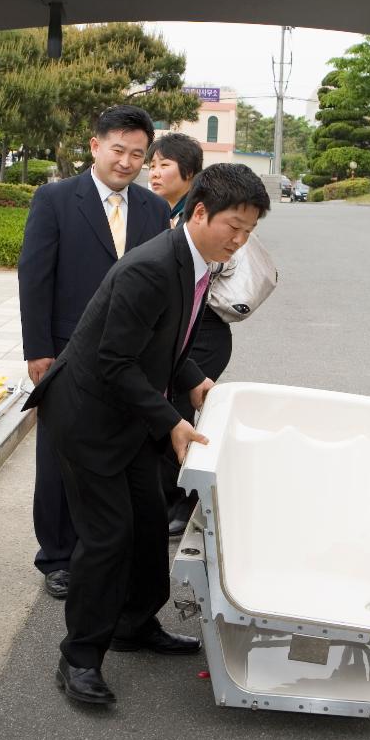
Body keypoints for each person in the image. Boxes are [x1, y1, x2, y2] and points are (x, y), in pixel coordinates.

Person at [24, 163, 270, 705]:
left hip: (129, 414)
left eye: (250, 230)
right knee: (108, 538)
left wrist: (194, 381)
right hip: (88, 416)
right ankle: (80, 657)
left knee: (148, 523)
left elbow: (167, 339)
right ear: (199, 211)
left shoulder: (197, 261)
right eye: (233, 225)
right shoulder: (153, 266)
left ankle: (135, 624)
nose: (239, 239)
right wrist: (172, 421)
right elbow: (114, 361)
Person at [18, 105, 170, 600]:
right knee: (59, 453)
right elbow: (35, 276)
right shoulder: (56, 198)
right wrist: (38, 349)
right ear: (95, 146)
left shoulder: (153, 209)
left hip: (130, 356)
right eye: (118, 150)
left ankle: (100, 545)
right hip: (66, 350)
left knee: (119, 449)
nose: (126, 162)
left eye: (137, 154)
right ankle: (57, 557)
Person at [147, 133, 225, 535]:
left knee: (178, 412)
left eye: (164, 165)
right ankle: (172, 497)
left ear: (190, 173)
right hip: (178, 332)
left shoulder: (198, 218)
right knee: (170, 411)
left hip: (204, 331)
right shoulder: (159, 212)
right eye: (153, 164)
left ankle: (185, 500)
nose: (153, 172)